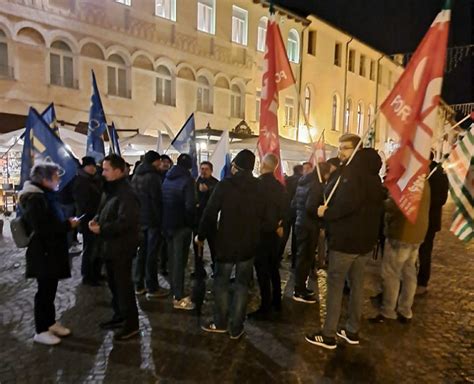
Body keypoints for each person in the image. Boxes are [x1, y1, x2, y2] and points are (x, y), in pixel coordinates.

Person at [306, 134, 384, 349]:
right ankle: (352, 330)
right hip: (365, 242)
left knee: (335, 287)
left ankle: (328, 334)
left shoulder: (351, 174)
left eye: (345, 148)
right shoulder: (373, 175)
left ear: (356, 149)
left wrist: (325, 212)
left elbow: (346, 205)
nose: (339, 152)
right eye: (339, 147)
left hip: (346, 241)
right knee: (357, 286)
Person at [196, 149, 265, 339]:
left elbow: (210, 212)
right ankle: (236, 327)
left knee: (221, 283)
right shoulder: (259, 186)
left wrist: (200, 236)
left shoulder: (226, 185)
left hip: (226, 242)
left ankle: (221, 322)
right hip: (249, 244)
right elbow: (264, 215)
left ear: (235, 166)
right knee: (242, 285)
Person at [19, 161, 80, 345]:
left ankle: (50, 322)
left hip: (49, 250)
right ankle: (41, 330)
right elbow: (43, 227)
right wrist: (68, 225)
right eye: (55, 177)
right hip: (42, 251)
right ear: (45, 179)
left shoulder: (44, 196)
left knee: (50, 289)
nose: (58, 180)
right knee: (44, 291)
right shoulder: (35, 198)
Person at [90, 154, 140, 341]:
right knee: (114, 284)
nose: (102, 173)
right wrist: (97, 219)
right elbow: (104, 210)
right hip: (109, 246)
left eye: (106, 169)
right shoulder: (111, 190)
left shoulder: (127, 193)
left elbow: (126, 222)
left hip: (121, 247)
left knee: (124, 286)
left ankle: (131, 324)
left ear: (119, 171)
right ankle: (119, 316)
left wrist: (102, 228)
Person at [371, 180, 431, 324]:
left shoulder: (409, 180)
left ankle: (388, 310)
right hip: (417, 233)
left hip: (401, 233)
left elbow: (394, 205)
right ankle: (405, 310)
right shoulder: (423, 180)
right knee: (409, 271)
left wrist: (381, 200)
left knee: (391, 273)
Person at [249, 153, 287, 319]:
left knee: (263, 271)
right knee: (273, 268)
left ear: (263, 165)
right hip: (274, 234)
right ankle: (277, 301)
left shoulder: (258, 186)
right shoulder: (279, 186)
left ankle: (265, 306)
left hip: (261, 233)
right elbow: (285, 209)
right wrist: (279, 225)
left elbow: (257, 212)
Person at [162, 154, 196, 310]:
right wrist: (192, 222)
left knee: (172, 259)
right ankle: (178, 295)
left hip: (167, 222)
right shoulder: (187, 180)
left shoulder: (167, 177)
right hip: (181, 224)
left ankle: (174, 289)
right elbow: (190, 206)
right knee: (179, 261)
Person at [292, 162, 330, 304]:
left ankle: (301, 286)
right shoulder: (316, 185)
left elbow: (296, 203)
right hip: (308, 226)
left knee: (303, 257)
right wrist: (320, 212)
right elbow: (311, 207)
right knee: (305, 258)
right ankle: (299, 290)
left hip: (301, 223)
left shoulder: (304, 182)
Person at [131, 150, 168, 299]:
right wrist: (161, 220)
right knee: (151, 255)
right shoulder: (153, 177)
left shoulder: (135, 176)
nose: (161, 164)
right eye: (159, 161)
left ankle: (138, 284)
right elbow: (158, 201)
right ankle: (152, 287)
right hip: (152, 220)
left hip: (140, 220)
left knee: (142, 253)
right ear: (155, 161)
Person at [416, 157, 448, 295]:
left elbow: (441, 198)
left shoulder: (438, 173)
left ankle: (422, 282)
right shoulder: (418, 171)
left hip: (429, 220)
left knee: (424, 252)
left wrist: (423, 200)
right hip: (415, 220)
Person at [72, 156, 103, 286]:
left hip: (96, 217)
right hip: (87, 219)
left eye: (93, 166)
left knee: (97, 247)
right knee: (90, 248)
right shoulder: (81, 181)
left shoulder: (93, 180)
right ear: (84, 167)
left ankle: (96, 273)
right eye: (90, 166)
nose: (93, 168)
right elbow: (83, 203)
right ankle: (88, 275)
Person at [193, 161, 219, 274]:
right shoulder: (196, 182)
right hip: (198, 220)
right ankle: (199, 268)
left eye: (206, 169)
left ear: (211, 170)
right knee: (198, 246)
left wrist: (208, 191)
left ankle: (216, 268)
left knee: (214, 246)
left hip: (211, 221)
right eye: (202, 168)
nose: (203, 171)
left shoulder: (215, 183)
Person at [283, 164, 303, 267]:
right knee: (295, 237)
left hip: (286, 211)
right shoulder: (302, 180)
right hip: (297, 211)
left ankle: (278, 257)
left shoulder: (287, 180)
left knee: (284, 235)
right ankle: (294, 262)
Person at [158, 154, 174, 275]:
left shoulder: (171, 178)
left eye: (167, 162)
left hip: (167, 214)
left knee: (166, 243)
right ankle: (161, 265)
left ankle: (164, 264)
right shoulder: (156, 177)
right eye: (163, 161)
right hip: (157, 215)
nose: (165, 164)